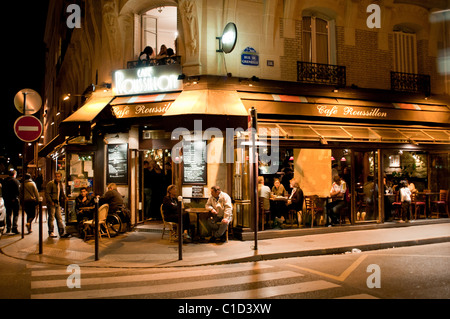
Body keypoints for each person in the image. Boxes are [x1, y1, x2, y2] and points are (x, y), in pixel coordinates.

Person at [45, 172, 68, 238]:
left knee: (59, 218)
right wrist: (50, 201)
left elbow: (61, 192)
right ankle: (51, 232)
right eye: (56, 176)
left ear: (60, 177)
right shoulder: (51, 183)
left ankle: (61, 232)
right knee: (51, 218)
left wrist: (64, 197)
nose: (57, 178)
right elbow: (47, 194)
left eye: (58, 176)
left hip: (57, 203)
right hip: (52, 203)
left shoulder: (60, 183)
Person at [2, 170, 20, 234]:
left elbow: (3, 191)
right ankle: (14, 227)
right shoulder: (16, 181)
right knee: (16, 214)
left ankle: (8, 228)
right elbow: (18, 191)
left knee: (8, 213)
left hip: (7, 200)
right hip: (14, 200)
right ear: (14, 174)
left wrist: (5, 198)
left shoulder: (4, 181)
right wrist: (15, 197)